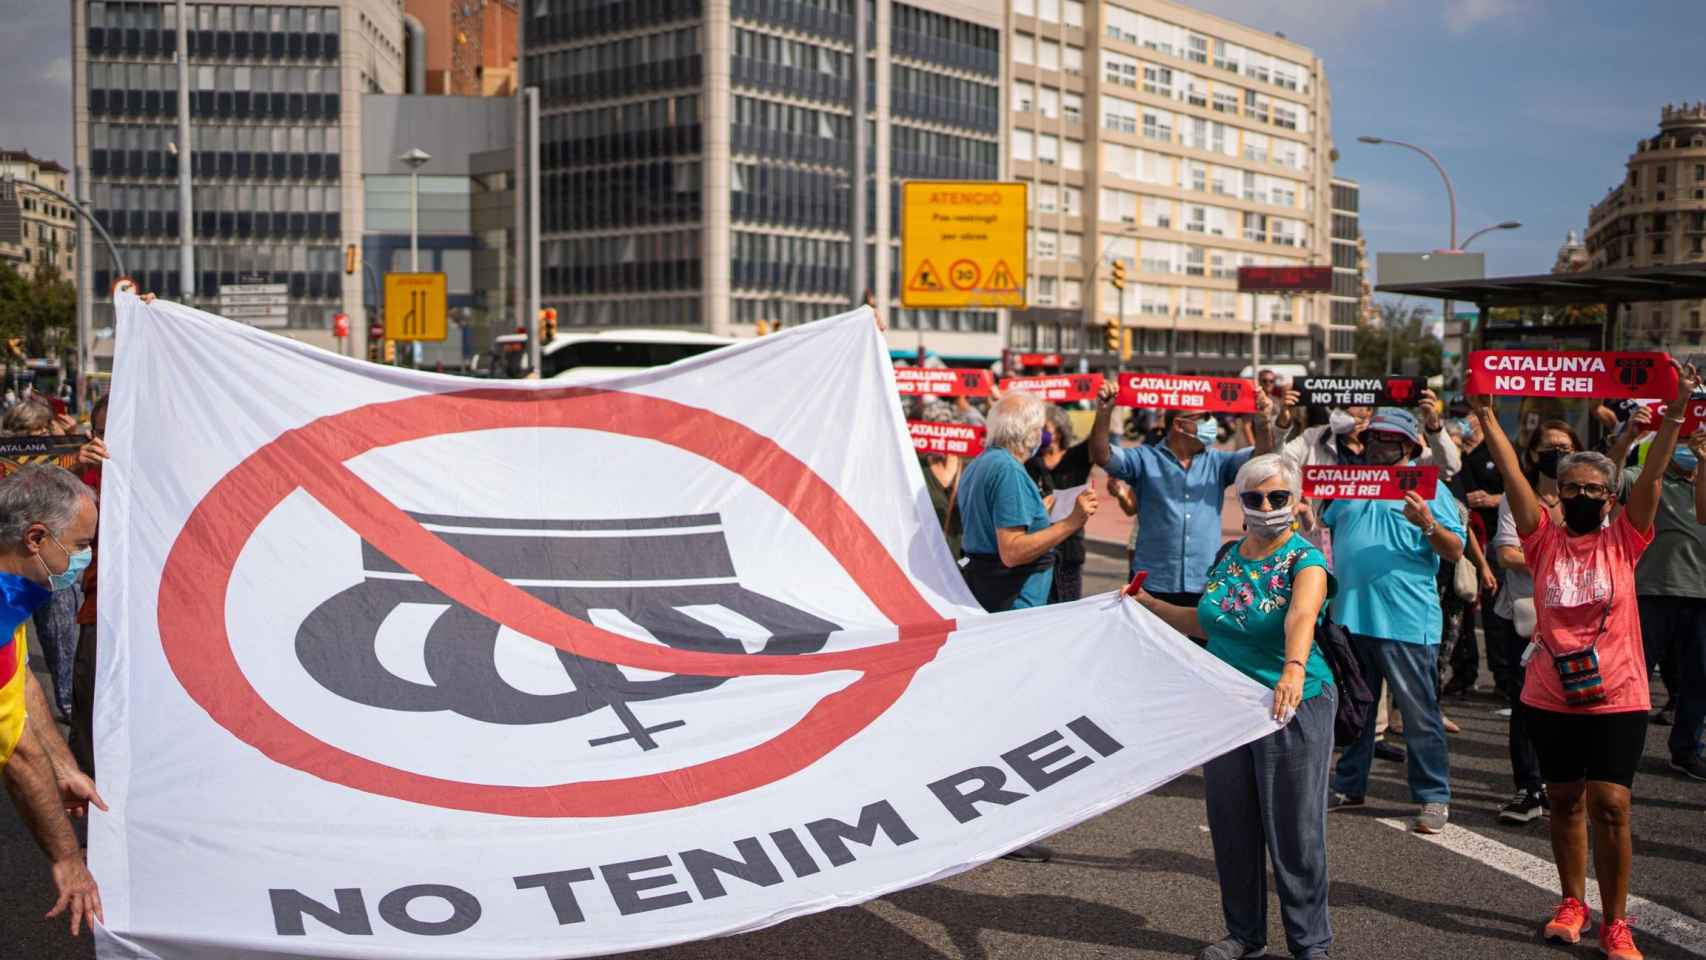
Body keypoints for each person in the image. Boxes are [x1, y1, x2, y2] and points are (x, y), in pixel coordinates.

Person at [1470, 361, 1700, 960]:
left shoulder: (1627, 536)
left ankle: (1616, 921)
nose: (1581, 497)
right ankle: (1571, 903)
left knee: (1613, 805)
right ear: (1559, 492)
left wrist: (1675, 415)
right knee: (1566, 799)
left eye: (1594, 491)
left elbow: (1649, 476)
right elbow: (1520, 484)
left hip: (1619, 691)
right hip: (1550, 690)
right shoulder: (1542, 536)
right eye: (1570, 488)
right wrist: (1486, 416)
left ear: (1609, 498)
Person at [1134, 454, 1336, 960]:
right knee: (1232, 824)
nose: (1265, 507)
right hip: (1226, 707)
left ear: (1295, 503)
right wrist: (1148, 608)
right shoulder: (1227, 556)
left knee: (1295, 830)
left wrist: (1293, 666)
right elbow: (1212, 623)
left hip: (1290, 704)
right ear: (1240, 503)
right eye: (1254, 498)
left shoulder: (1305, 561)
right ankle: (1245, 934)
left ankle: (1311, 943)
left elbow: (1301, 616)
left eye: (1277, 497)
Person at [1324, 407, 1464, 833]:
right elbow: (1327, 529)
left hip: (1405, 621)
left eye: (1386, 440)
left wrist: (1426, 524)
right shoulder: (1348, 485)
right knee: (1355, 712)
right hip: (1350, 618)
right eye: (1372, 440)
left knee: (1420, 716)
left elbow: (1454, 549)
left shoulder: (1430, 489)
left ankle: (1433, 797)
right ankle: (1349, 784)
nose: (1375, 447)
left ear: (1407, 446)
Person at [0, 465, 107, 936]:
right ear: (36, 538)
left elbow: (20, 679)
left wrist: (64, 767)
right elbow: (19, 754)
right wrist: (67, 858)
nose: (85, 558)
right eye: (82, 545)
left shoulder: (14, 588)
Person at [1089, 380, 1277, 625]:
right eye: (1203, 417)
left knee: (1199, 657)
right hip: (1154, 581)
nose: (1211, 423)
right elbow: (1103, 455)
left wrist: (1262, 420)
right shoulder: (1145, 458)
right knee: (1150, 655)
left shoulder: (1218, 462)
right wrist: (1104, 412)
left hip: (1205, 579)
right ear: (1179, 424)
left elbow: (1261, 457)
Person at [957, 390, 1098, 613]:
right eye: (1040, 429)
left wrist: (1035, 512)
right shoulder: (1008, 469)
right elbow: (1012, 551)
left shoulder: (980, 463)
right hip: (1014, 604)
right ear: (1030, 432)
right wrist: (1071, 522)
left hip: (988, 595)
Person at [1636, 425, 1706, 781]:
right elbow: (1613, 477)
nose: (1689, 448)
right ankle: (1622, 746)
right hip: (1653, 591)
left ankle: (1687, 750)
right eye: (1683, 441)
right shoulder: (1649, 479)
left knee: (1700, 678)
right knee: (1635, 676)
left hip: (1701, 595)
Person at [1026, 404, 1095, 602]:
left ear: (1058, 429)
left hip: (1069, 550)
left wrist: (1104, 410)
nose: (1040, 432)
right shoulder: (1030, 461)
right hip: (1038, 549)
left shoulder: (1076, 457)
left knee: (1068, 609)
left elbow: (1096, 441)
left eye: (1044, 427)